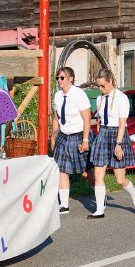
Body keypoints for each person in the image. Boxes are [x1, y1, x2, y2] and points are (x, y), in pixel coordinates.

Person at [88, 68, 135, 219]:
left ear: (110, 81)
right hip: (103, 135)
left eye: (103, 86)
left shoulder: (121, 98)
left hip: (117, 135)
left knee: (120, 179)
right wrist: (99, 135)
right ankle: (99, 210)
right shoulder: (100, 99)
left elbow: (122, 124)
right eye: (99, 86)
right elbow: (99, 119)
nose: (100, 89)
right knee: (98, 174)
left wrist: (118, 145)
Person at [51, 67, 91, 215]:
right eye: (57, 78)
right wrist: (53, 136)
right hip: (63, 136)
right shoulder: (58, 96)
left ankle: (100, 194)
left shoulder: (79, 95)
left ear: (71, 79)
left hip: (79, 135)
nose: (59, 80)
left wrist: (85, 140)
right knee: (62, 170)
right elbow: (56, 118)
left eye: (62, 77)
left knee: (86, 171)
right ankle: (64, 205)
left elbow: (87, 119)